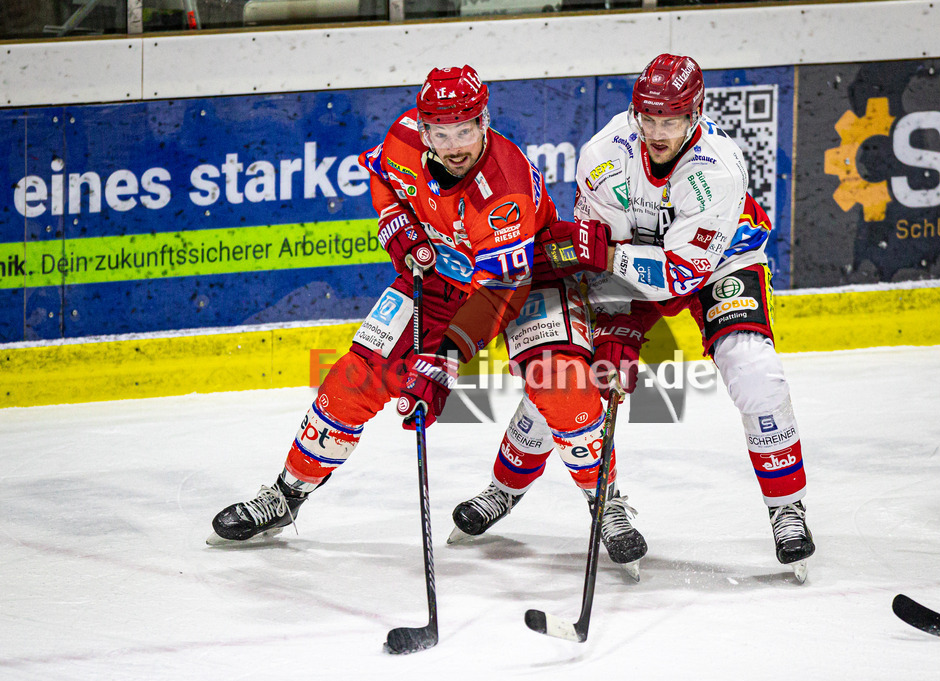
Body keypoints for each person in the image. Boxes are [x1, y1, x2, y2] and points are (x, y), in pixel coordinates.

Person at [207, 65, 646, 574]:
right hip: (441, 275)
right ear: (424, 128)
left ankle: (606, 503)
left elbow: (499, 293)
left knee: (562, 384)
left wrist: (444, 359)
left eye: (465, 130)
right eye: (442, 133)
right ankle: (285, 496)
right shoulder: (403, 139)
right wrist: (395, 224)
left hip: (529, 278)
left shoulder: (505, 191)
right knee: (354, 378)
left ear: (484, 121)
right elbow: (382, 178)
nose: (455, 145)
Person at [454, 54, 815, 578]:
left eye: (669, 121)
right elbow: (597, 255)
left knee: (754, 368)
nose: (657, 132)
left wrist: (613, 285)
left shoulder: (719, 168)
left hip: (719, 262)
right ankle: (504, 488)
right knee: (572, 379)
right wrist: (615, 329)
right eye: (648, 120)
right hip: (628, 271)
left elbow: (681, 274)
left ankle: (787, 507)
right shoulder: (604, 156)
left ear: (695, 114)